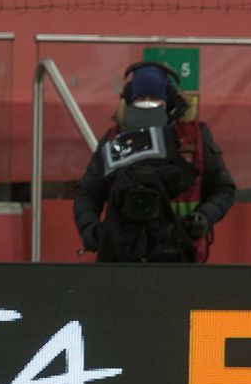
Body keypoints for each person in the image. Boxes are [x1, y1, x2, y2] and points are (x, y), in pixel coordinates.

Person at [74, 62, 236, 262]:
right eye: (141, 99)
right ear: (129, 102)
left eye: (155, 98)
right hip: (121, 253)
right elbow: (89, 191)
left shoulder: (194, 139)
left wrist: (203, 218)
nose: (147, 105)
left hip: (181, 250)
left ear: (171, 102)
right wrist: (90, 228)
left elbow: (224, 188)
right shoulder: (114, 139)